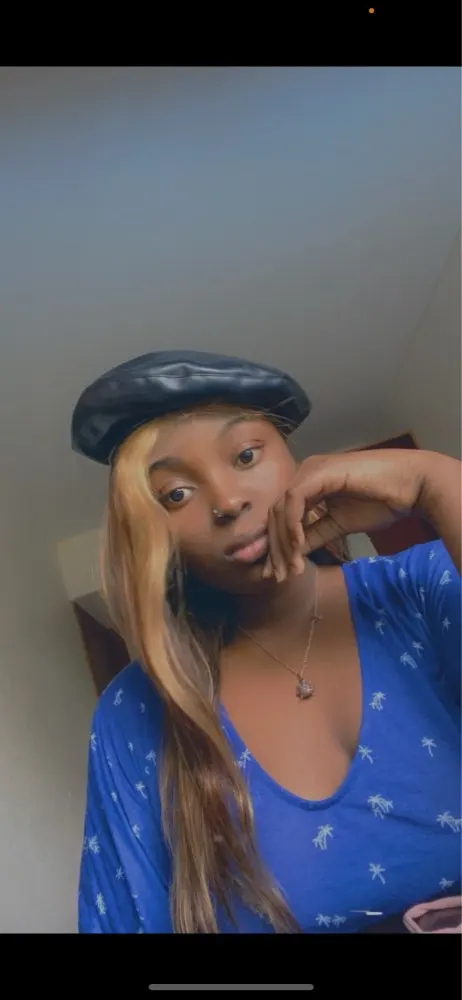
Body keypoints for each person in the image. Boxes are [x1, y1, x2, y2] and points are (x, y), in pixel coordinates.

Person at [73, 350, 461, 934]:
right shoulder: (135, 711)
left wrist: (440, 482)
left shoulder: (422, 587)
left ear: (292, 457)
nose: (228, 502)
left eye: (246, 455)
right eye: (176, 494)